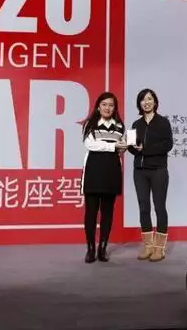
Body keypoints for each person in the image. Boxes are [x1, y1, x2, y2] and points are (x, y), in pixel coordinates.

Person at [80, 91, 127, 263]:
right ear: (98, 107)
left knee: (107, 212)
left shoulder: (120, 126)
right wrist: (113, 146)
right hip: (93, 170)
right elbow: (90, 144)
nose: (108, 108)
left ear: (115, 108)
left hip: (111, 171)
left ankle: (103, 248)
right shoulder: (90, 124)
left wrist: (124, 147)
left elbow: (121, 148)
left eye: (111, 105)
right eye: (104, 104)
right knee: (91, 212)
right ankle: (90, 249)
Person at [128, 88, 174, 262]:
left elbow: (168, 145)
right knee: (143, 207)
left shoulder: (163, 122)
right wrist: (132, 147)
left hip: (158, 170)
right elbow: (131, 147)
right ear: (139, 103)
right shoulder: (135, 124)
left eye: (149, 99)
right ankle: (148, 246)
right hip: (139, 171)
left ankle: (159, 249)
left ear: (155, 102)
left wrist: (145, 149)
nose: (146, 102)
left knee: (159, 207)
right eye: (143, 99)